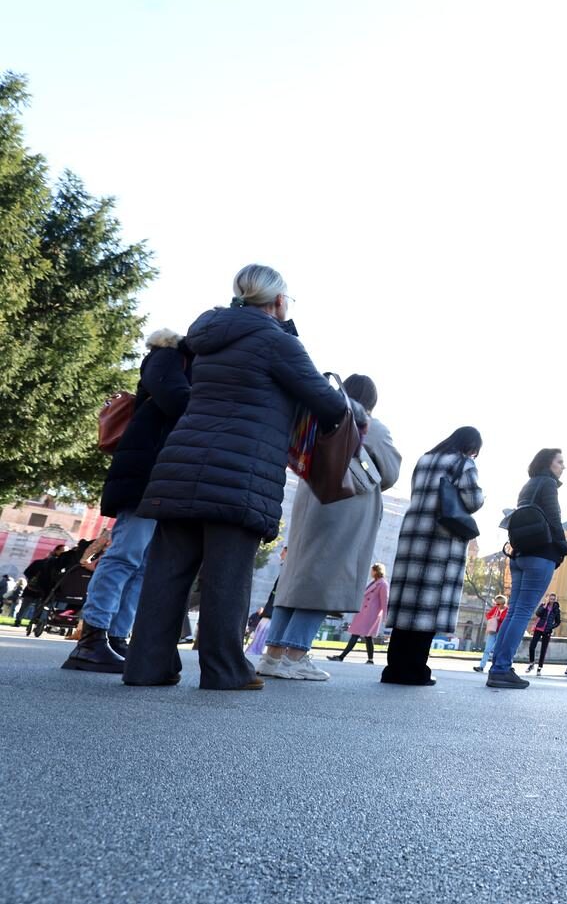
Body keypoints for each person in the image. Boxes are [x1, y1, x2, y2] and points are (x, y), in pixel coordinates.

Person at [122, 265, 351, 691]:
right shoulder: (275, 342)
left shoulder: (206, 335)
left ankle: (146, 667)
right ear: (278, 301)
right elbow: (326, 402)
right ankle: (225, 670)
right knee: (227, 575)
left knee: (166, 573)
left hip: (182, 463)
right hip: (239, 469)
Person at [259, 373, 402, 682]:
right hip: (345, 503)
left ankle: (272, 655)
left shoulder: (318, 414)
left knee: (295, 578)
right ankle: (296, 655)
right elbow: (390, 472)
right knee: (326, 578)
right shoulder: (370, 426)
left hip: (310, 500)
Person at [64, 329, 192, 672]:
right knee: (125, 556)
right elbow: (177, 399)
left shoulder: (188, 362)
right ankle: (92, 638)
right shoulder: (167, 356)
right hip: (146, 472)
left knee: (143, 562)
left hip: (162, 474)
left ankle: (115, 637)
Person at [383, 427, 485, 687]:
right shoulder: (463, 462)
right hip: (441, 537)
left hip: (414, 532)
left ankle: (393, 668)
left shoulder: (424, 459)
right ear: (471, 446)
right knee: (428, 606)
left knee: (408, 605)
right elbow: (472, 500)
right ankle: (416, 670)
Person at [488, 449, 567, 690]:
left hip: (519, 553)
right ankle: (502, 669)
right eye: (560, 462)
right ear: (548, 463)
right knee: (522, 613)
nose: (564, 467)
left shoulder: (529, 484)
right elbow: (554, 518)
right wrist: (563, 547)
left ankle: (497, 667)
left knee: (513, 612)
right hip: (540, 554)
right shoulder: (548, 485)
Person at [333, 564, 389, 663]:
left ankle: (341, 657)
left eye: (372, 570)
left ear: (376, 571)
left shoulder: (383, 584)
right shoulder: (373, 582)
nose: (371, 573)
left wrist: (385, 616)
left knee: (356, 634)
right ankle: (370, 659)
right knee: (368, 637)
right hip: (364, 613)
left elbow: (384, 601)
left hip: (371, 614)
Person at [526, 592, 562, 675]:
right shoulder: (543, 606)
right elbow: (537, 614)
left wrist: (551, 627)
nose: (552, 600)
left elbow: (558, 622)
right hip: (538, 628)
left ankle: (539, 668)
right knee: (532, 646)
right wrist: (544, 607)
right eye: (550, 598)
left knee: (543, 649)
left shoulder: (557, 609)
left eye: (553, 599)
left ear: (555, 600)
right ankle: (531, 663)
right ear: (548, 599)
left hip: (547, 631)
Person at [473, 595, 508, 673]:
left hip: (501, 632)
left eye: (498, 604)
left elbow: (507, 620)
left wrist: (500, 618)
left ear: (503, 603)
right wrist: (492, 617)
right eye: (496, 603)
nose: (496, 605)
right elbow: (488, 615)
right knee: (487, 649)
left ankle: (495, 667)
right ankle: (481, 666)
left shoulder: (507, 610)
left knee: (496, 650)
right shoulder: (495, 608)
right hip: (492, 630)